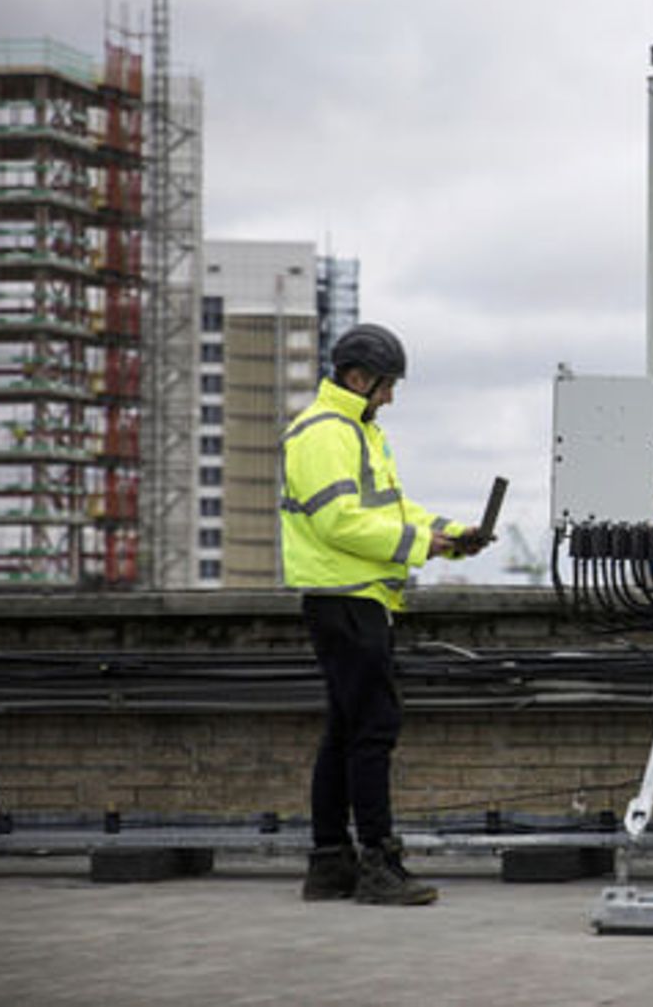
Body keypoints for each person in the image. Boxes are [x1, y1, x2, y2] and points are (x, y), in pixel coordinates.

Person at [281, 323, 493, 905]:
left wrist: (450, 532)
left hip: (352, 597)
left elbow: (391, 509)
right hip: (347, 597)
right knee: (373, 729)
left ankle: (330, 863)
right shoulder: (327, 433)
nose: (391, 398)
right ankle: (378, 864)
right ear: (358, 378)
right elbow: (340, 523)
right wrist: (424, 546)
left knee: (345, 731)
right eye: (386, 386)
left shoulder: (356, 430)